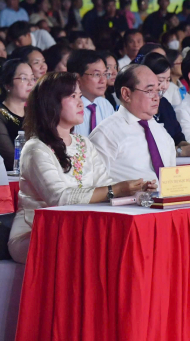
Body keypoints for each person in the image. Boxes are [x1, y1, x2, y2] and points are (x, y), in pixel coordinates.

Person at [8, 72, 155, 263]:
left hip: (79, 226)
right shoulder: (36, 148)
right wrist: (115, 190)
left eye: (80, 96)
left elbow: (104, 184)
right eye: (72, 96)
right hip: (35, 231)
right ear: (51, 103)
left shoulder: (82, 143)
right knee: (93, 246)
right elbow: (59, 198)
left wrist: (134, 190)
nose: (81, 103)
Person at [90, 65, 177, 183]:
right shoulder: (106, 134)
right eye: (149, 91)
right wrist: (124, 190)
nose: (157, 98)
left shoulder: (160, 130)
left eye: (158, 91)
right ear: (126, 94)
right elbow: (92, 183)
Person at [142, 53, 190, 158]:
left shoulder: (164, 104)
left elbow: (178, 137)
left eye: (168, 80)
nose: (164, 86)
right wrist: (181, 151)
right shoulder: (140, 106)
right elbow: (147, 148)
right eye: (160, 81)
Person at [67, 50, 116, 136]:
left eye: (105, 74)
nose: (103, 80)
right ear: (77, 78)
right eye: (96, 74)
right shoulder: (67, 108)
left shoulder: (105, 105)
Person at [0, 60, 34, 170]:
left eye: (32, 78)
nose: (30, 83)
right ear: (7, 85)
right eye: (24, 78)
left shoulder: (34, 113)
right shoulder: (1, 115)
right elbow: (10, 158)